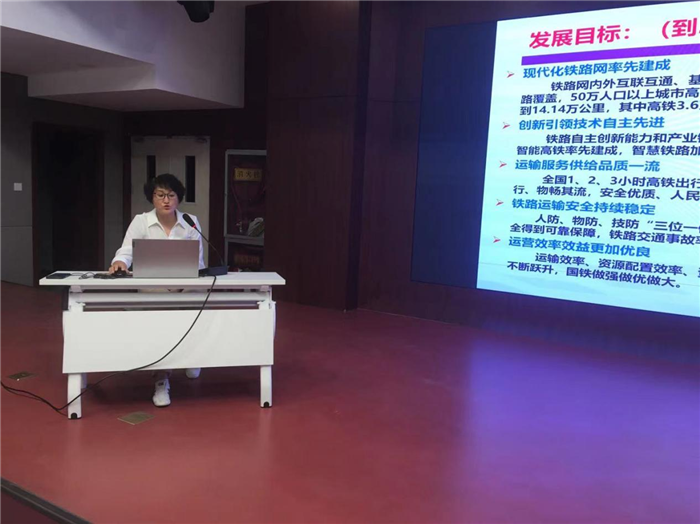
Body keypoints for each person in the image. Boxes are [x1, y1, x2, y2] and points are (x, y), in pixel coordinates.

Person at [110, 173, 205, 408]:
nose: (166, 200)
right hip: (152, 291)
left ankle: (191, 356)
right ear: (152, 197)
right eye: (160, 195)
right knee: (160, 327)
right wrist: (120, 262)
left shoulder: (190, 221)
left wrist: (182, 284)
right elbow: (126, 251)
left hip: (185, 291)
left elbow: (198, 262)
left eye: (171, 195)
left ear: (178, 198)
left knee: (196, 313)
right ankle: (161, 378)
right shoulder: (141, 221)